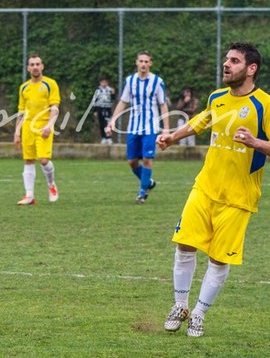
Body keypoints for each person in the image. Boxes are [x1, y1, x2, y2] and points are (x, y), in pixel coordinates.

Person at [157, 42, 270, 338]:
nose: (226, 64)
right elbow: (201, 121)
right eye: (226, 59)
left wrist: (257, 143)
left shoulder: (264, 105)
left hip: (238, 198)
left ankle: (198, 314)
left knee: (219, 259)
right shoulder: (217, 97)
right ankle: (180, 305)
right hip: (205, 187)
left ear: (251, 69)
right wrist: (173, 136)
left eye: (234, 61)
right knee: (184, 245)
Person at [106, 50, 169, 204]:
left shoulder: (157, 82)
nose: (143, 64)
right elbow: (123, 102)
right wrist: (112, 120)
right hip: (133, 127)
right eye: (141, 61)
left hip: (150, 127)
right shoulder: (130, 81)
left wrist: (166, 128)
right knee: (132, 162)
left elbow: (163, 105)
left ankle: (142, 193)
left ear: (150, 63)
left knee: (147, 159)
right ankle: (148, 182)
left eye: (146, 62)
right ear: (136, 62)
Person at [13, 54, 61, 205]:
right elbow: (21, 111)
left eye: (37, 64)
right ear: (28, 68)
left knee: (44, 160)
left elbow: (55, 107)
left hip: (44, 126)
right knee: (28, 160)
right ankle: (29, 196)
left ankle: (51, 185)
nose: (35, 67)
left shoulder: (50, 84)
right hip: (27, 128)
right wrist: (16, 132)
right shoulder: (24, 87)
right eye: (32, 64)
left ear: (42, 66)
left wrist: (49, 125)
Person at [92, 77, 116, 145]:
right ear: (100, 83)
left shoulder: (110, 90)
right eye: (102, 82)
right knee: (101, 124)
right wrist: (95, 111)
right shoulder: (98, 91)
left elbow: (113, 99)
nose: (104, 84)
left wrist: (113, 94)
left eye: (105, 82)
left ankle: (108, 138)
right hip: (100, 108)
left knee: (108, 123)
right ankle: (103, 138)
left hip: (107, 109)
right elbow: (94, 100)